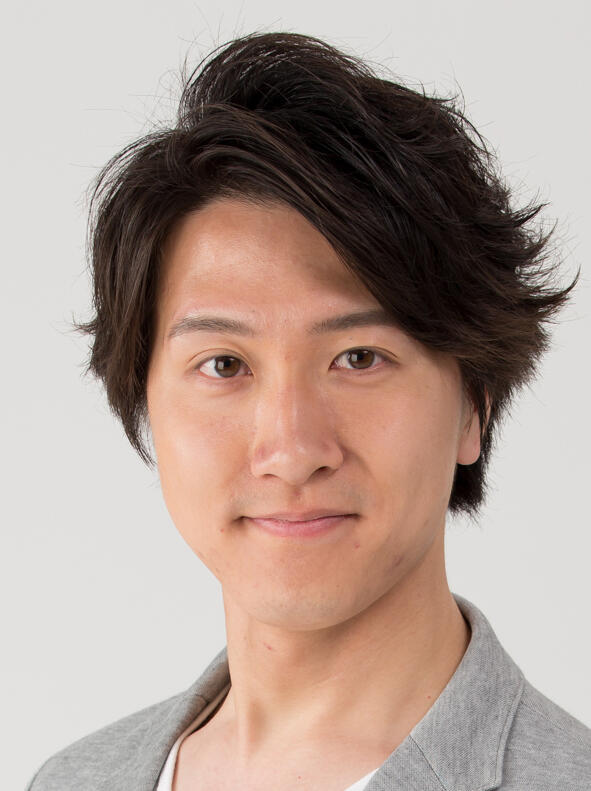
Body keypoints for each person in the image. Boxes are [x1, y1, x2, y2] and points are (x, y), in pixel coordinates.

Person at [25, 30, 590, 791]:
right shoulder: (73, 779)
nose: (291, 449)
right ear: (144, 398)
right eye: (224, 365)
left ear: (472, 406)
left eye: (358, 358)